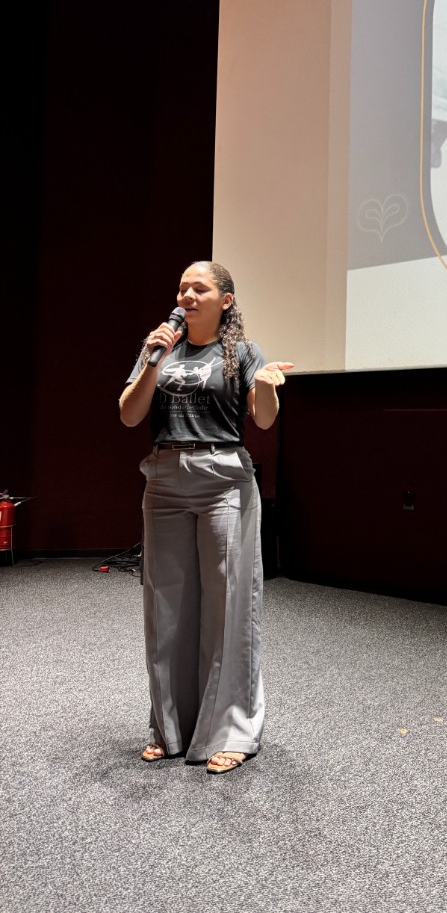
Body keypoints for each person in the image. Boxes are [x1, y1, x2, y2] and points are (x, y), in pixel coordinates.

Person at [119, 261, 293, 774]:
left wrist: (267, 386)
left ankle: (232, 730)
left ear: (226, 300)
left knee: (228, 606)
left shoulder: (242, 352)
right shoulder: (158, 348)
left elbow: (263, 418)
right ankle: (170, 728)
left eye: (200, 288)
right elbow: (129, 414)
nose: (187, 296)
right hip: (164, 480)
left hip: (223, 481)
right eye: (182, 288)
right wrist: (153, 360)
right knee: (166, 608)